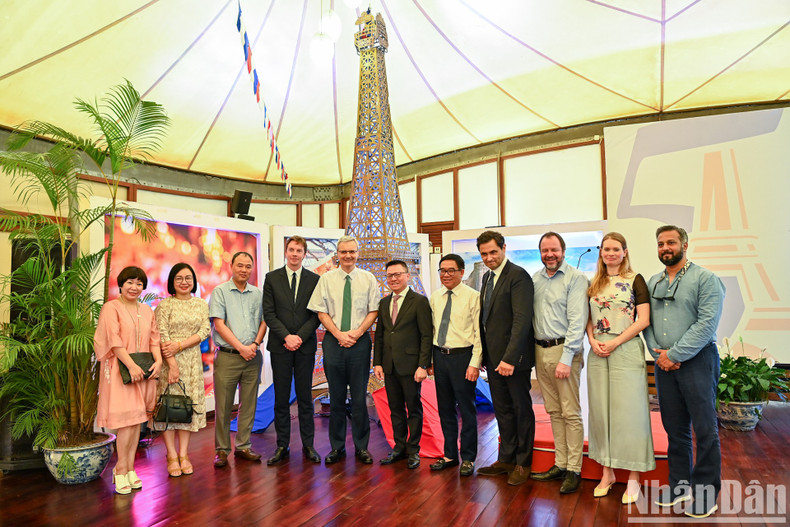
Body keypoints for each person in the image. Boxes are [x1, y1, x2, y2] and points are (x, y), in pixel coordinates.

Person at [644, 225, 725, 519]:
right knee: (674, 429)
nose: (666, 247)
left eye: (671, 242)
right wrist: (659, 354)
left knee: (705, 429)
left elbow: (707, 325)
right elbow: (646, 323)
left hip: (698, 361)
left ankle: (706, 494)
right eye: (661, 243)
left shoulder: (706, 279)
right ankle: (679, 486)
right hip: (662, 362)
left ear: (685, 244)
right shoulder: (653, 282)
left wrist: (675, 355)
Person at [585, 233, 654, 503]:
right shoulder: (594, 282)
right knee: (601, 412)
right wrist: (592, 340)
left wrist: (614, 342)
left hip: (625, 349)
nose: (611, 253)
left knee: (630, 414)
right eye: (606, 249)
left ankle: (634, 477)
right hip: (598, 352)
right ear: (601, 252)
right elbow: (589, 318)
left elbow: (644, 319)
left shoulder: (635, 279)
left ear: (625, 252)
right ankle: (607, 472)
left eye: (616, 249)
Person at [307, 235, 380, 465]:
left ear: (358, 253)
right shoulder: (326, 279)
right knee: (336, 397)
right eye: (343, 252)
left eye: (352, 252)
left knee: (359, 398)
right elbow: (321, 312)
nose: (348, 256)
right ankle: (337, 448)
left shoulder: (368, 279)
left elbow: (373, 311)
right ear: (337, 254)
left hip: (359, 343)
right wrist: (339, 334)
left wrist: (356, 333)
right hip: (334, 342)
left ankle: (362, 448)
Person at [529, 232, 589, 494]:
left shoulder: (576, 278)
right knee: (553, 411)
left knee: (570, 412)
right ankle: (560, 464)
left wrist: (566, 358)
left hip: (565, 351)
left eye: (554, 249)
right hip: (540, 352)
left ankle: (574, 469)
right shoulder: (536, 279)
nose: (549, 254)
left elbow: (577, 322)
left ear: (563, 250)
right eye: (545, 250)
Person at [95, 266, 163, 494]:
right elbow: (113, 342)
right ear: (121, 284)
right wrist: (131, 365)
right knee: (126, 422)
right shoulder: (111, 308)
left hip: (143, 371)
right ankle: (120, 469)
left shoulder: (147, 310)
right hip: (120, 371)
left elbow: (155, 339)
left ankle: (130, 467)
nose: (134, 287)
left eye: (139, 283)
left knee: (137, 421)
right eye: (130, 283)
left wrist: (159, 361)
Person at [475, 230, 535, 486]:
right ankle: (506, 459)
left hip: (514, 360)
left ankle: (523, 464)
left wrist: (510, 358)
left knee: (521, 411)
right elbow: (487, 320)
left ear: (503, 248)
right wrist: (483, 357)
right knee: (503, 411)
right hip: (493, 359)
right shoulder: (487, 278)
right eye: (484, 254)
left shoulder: (518, 276)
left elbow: (522, 321)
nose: (489, 258)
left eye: (493, 252)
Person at [262, 236, 321, 465]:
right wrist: (287, 336)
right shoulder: (271, 278)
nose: (295, 254)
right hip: (280, 345)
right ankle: (282, 445)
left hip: (304, 346)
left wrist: (299, 337)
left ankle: (309, 445)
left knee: (306, 397)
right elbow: (269, 313)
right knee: (281, 398)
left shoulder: (315, 279)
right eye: (291, 249)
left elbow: (316, 314)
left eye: (299, 250)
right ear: (285, 252)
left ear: (304, 254)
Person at [209, 251, 267, 468]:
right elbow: (219, 324)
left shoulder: (257, 294)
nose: (244, 270)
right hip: (228, 357)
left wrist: (254, 345)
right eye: (240, 265)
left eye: (248, 266)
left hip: (253, 356)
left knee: (249, 404)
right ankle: (222, 450)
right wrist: (241, 347)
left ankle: (243, 445)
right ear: (231, 266)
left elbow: (264, 321)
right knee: (223, 406)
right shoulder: (220, 291)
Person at [373, 260, 432, 470]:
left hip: (411, 366)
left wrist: (423, 365)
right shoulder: (384, 302)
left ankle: (413, 449)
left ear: (408, 276)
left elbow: (427, 335)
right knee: (395, 409)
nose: (394, 279)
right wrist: (377, 362)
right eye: (390, 275)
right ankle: (399, 447)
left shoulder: (419, 301)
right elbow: (380, 335)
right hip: (389, 366)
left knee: (414, 409)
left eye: (398, 274)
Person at [154, 263, 211, 477]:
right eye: (179, 278)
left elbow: (205, 330)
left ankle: (184, 454)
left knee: (187, 407)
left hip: (192, 361)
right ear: (172, 282)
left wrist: (181, 345)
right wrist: (173, 364)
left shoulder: (200, 304)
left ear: (194, 281)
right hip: (169, 362)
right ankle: (171, 455)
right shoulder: (165, 305)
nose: (184, 282)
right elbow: (162, 335)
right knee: (169, 407)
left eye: (188, 278)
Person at [428, 254, 482, 477]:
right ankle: (449, 455)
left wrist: (475, 363)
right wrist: (430, 361)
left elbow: (479, 333)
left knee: (467, 409)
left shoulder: (473, 297)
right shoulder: (435, 297)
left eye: (451, 270)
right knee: (445, 409)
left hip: (463, 357)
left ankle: (468, 458)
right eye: (442, 270)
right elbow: (431, 330)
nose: (446, 274)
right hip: (440, 357)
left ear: (461, 272)